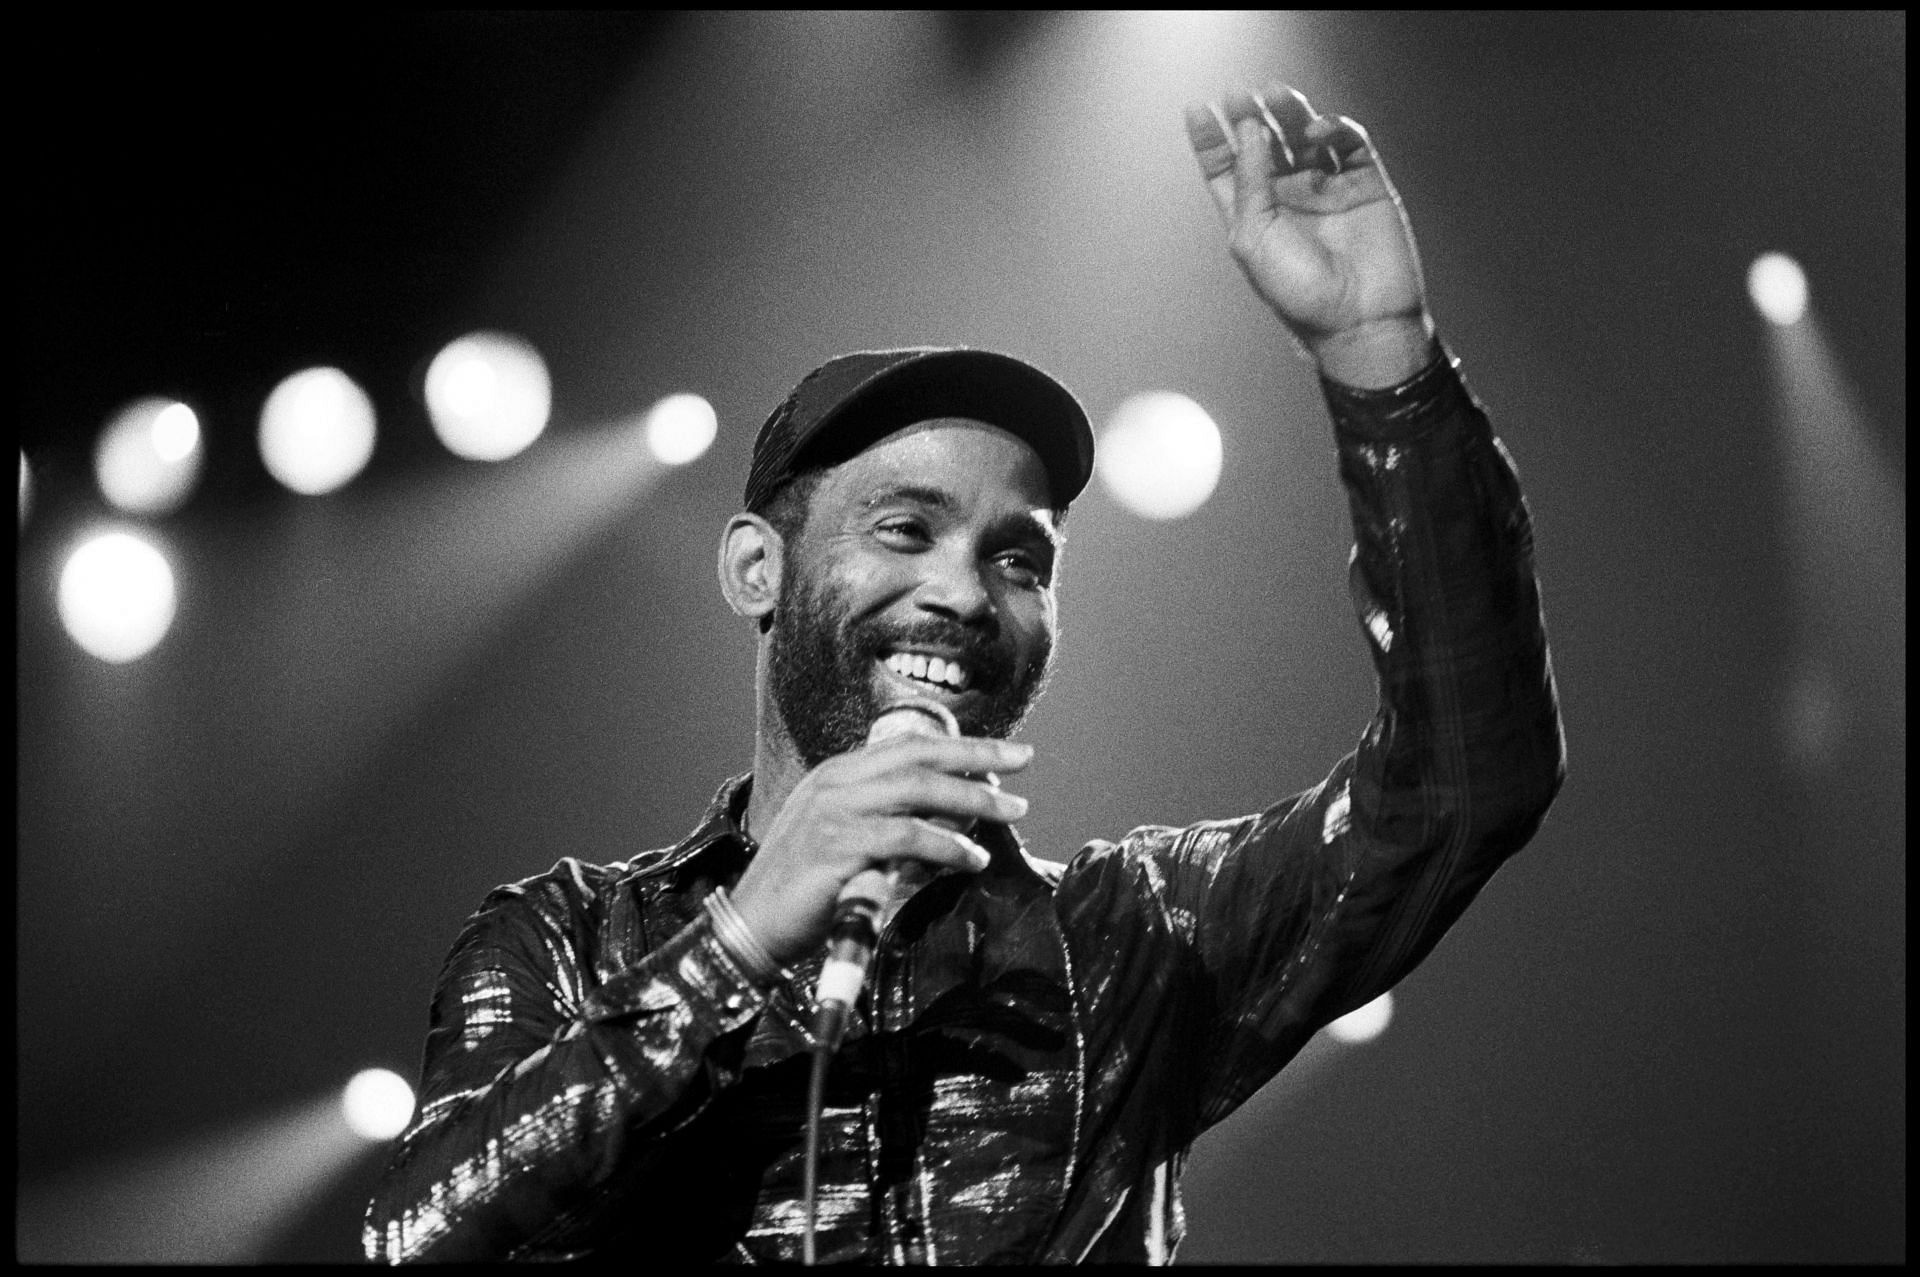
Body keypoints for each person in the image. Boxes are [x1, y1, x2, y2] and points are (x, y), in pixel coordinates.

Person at [363, 81, 1565, 1265]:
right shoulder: (566, 941)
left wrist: (1381, 362)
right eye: (904, 529)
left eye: (1018, 558)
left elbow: (1467, 779)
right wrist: (732, 949)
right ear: (754, 570)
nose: (962, 591)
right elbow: (412, 1240)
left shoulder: (1139, 939)